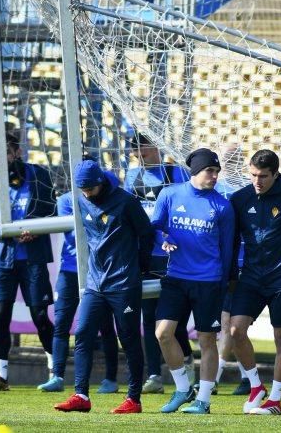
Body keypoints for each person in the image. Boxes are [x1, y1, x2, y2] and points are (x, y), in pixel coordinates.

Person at [54, 160, 154, 414]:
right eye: (82, 189)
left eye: (89, 188)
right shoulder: (81, 201)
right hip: (95, 283)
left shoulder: (127, 202)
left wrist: (140, 267)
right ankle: (81, 395)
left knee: (129, 339)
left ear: (100, 182)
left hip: (124, 283)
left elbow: (147, 234)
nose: (86, 193)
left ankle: (134, 399)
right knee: (83, 333)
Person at [152, 148, 236, 414]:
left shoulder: (222, 206)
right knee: (163, 333)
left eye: (216, 171)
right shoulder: (169, 194)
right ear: (195, 171)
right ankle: (182, 389)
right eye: (210, 171)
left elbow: (227, 248)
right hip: (176, 278)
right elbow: (155, 228)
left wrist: (224, 283)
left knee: (207, 340)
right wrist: (164, 239)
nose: (214, 176)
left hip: (209, 281)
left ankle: (204, 400)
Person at [229, 149, 281, 415]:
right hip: (251, 277)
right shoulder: (239, 199)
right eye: (253, 175)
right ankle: (255, 385)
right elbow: (231, 241)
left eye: (263, 176)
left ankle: (275, 400)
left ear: (276, 174)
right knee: (235, 331)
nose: (257, 181)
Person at [0, 132, 55, 391]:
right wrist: (8, 233)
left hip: (33, 258)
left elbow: (52, 210)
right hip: (2, 260)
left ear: (17, 152)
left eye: (7, 153)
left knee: (40, 315)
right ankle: (1, 377)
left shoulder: (39, 175)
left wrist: (36, 229)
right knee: (1, 315)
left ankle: (56, 371)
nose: (3, 158)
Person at [38, 167, 122, 394]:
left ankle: (110, 379)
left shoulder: (111, 196)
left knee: (106, 325)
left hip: (101, 270)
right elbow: (77, 235)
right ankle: (56, 376)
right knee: (62, 320)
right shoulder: (66, 201)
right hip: (71, 268)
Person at [124, 133, 195, 393]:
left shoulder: (175, 173)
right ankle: (154, 375)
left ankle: (187, 365)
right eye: (136, 153)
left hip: (173, 255)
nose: (140, 156)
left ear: (155, 147)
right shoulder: (132, 177)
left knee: (174, 318)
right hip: (146, 255)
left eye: (143, 150)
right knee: (148, 316)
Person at [213, 142, 252, 395]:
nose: (231, 161)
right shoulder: (218, 189)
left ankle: (216, 378)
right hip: (228, 265)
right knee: (228, 324)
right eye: (228, 157)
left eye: (236, 156)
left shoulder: (250, 188)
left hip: (250, 265)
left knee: (232, 324)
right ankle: (245, 376)